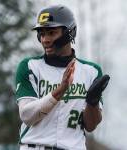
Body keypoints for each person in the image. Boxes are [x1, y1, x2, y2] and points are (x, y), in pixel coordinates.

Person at [15, 5, 110, 150]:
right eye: (42, 33)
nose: (45, 39)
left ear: (69, 33)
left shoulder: (91, 71)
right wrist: (60, 90)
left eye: (52, 32)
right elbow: (27, 115)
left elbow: (90, 126)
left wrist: (93, 102)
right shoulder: (29, 66)